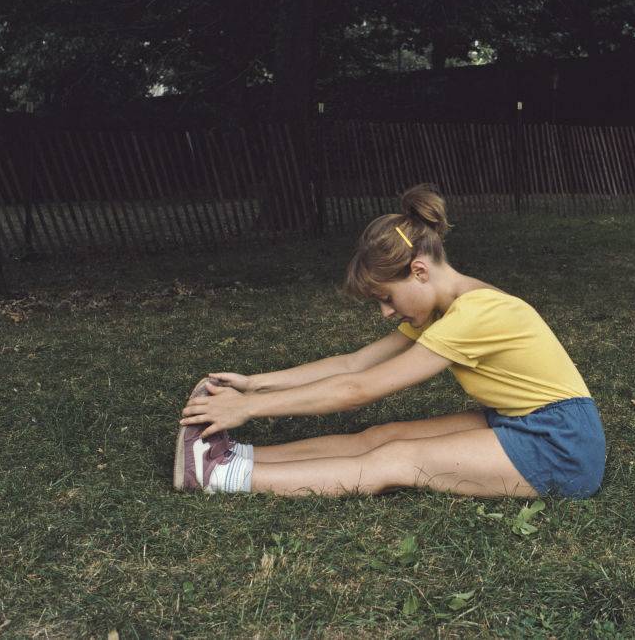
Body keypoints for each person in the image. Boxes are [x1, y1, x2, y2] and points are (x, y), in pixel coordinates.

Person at [174, 184, 605, 498]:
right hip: (519, 420)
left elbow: (359, 390)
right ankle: (239, 457)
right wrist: (255, 383)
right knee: (383, 435)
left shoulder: (476, 315)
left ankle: (220, 477)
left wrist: (247, 409)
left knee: (396, 460)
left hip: (561, 447)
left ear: (419, 272)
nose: (385, 312)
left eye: (386, 297)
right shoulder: (447, 307)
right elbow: (353, 364)